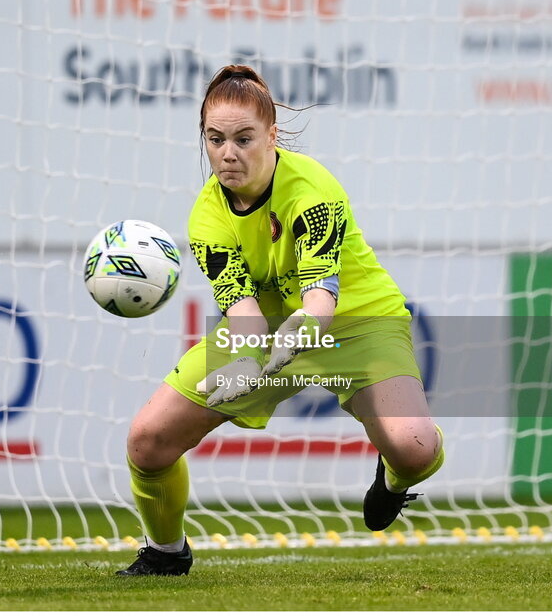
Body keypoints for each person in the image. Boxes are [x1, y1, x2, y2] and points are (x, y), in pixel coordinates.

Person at [116, 65, 444, 577]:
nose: (228, 153)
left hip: (359, 322)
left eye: (244, 138)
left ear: (271, 135)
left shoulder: (314, 191)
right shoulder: (206, 216)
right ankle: (165, 552)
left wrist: (288, 339)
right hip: (270, 331)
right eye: (215, 138)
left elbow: (319, 301)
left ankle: (394, 481)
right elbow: (244, 318)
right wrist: (247, 360)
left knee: (414, 448)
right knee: (147, 440)